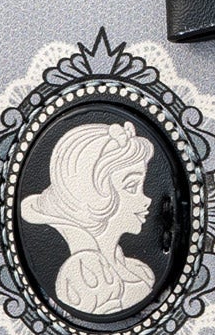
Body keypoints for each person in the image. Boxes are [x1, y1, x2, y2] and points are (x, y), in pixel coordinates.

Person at [20, 120, 158, 316]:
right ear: (94, 195)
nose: (146, 199)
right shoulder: (88, 280)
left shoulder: (136, 270)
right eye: (131, 186)